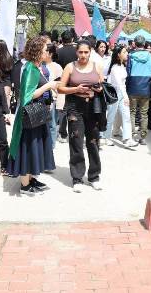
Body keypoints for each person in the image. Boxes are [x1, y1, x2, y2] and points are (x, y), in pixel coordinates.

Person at [8, 36, 58, 194]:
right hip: (30, 116)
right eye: (44, 50)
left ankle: (30, 179)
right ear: (37, 51)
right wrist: (49, 86)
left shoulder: (36, 67)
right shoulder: (30, 68)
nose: (47, 52)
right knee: (28, 147)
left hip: (36, 115)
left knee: (34, 147)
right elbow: (27, 96)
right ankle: (25, 184)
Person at [57, 40, 104, 192]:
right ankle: (77, 178)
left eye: (86, 52)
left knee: (93, 142)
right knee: (76, 142)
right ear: (76, 52)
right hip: (74, 107)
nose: (83, 55)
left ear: (90, 52)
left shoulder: (97, 66)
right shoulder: (70, 67)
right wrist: (76, 89)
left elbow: (103, 85)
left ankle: (94, 176)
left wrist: (98, 89)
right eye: (80, 52)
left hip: (94, 108)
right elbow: (60, 88)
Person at [105, 45, 138, 148]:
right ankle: (106, 137)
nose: (127, 53)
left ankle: (127, 139)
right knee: (111, 116)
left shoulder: (122, 66)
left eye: (126, 52)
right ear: (118, 55)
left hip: (122, 93)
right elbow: (119, 84)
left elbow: (122, 84)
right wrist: (126, 96)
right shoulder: (115, 68)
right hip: (114, 94)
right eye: (124, 52)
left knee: (126, 116)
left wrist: (124, 95)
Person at [126, 35, 151, 145]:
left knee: (132, 112)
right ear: (144, 43)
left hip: (133, 86)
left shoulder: (130, 55)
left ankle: (132, 134)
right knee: (144, 113)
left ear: (135, 43)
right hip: (146, 86)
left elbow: (128, 71)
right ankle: (143, 137)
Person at [45, 44, 63, 148]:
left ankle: (51, 146)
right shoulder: (38, 65)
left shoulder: (57, 67)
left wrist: (60, 103)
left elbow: (60, 85)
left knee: (52, 124)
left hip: (52, 99)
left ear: (50, 54)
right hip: (41, 99)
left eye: (45, 51)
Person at [0, 39, 14, 108]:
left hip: (6, 79)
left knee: (6, 97)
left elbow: (11, 70)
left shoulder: (9, 58)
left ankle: (6, 111)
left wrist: (13, 82)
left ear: (1, 46)